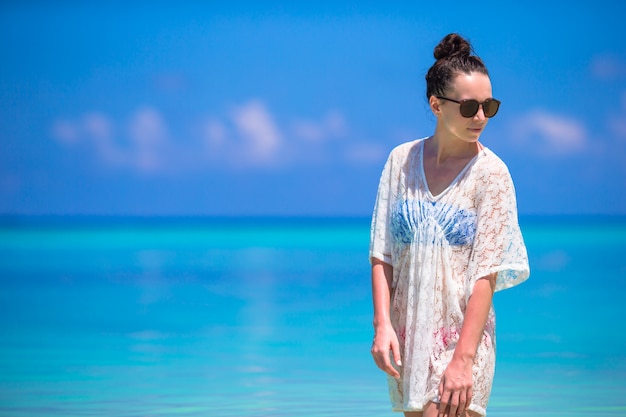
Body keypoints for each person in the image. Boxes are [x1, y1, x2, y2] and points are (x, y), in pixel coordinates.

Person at [369, 33, 530, 417]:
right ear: (436, 105)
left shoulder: (491, 175)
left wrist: (463, 360)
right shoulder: (400, 161)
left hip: (462, 343)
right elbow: (382, 253)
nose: (480, 117)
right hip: (407, 339)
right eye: (470, 106)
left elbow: (485, 275)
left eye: (488, 106)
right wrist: (382, 327)